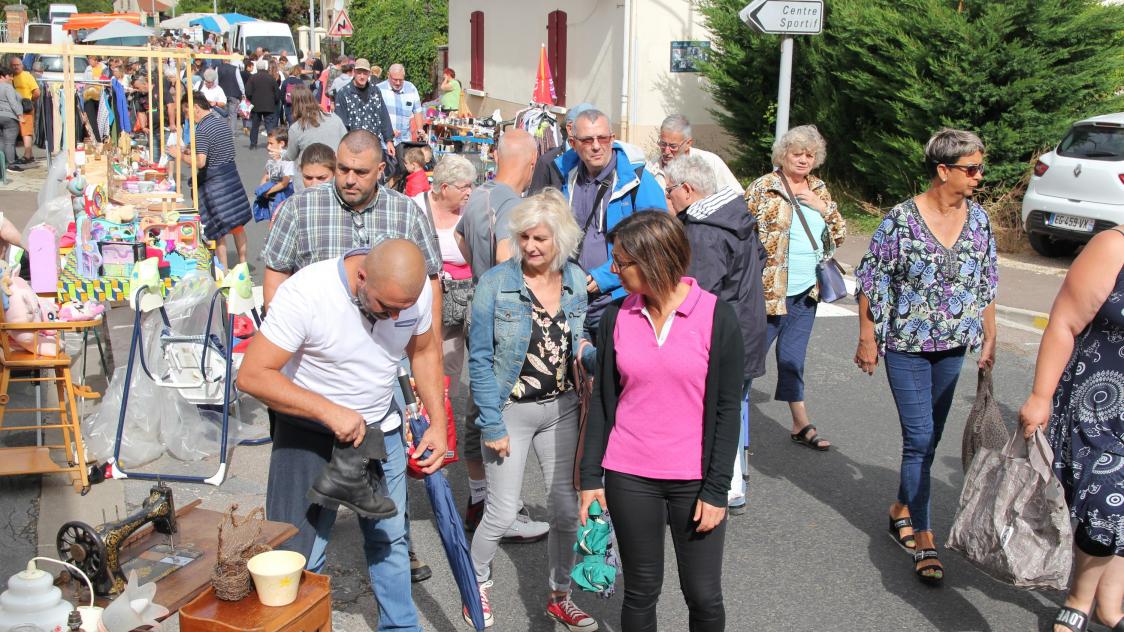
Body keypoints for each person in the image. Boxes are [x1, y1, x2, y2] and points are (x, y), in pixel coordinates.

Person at [237, 239, 449, 632]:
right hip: (307, 437)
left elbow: (424, 352)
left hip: (379, 435)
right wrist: (327, 410)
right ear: (362, 277)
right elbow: (252, 375)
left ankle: (401, 628)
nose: (395, 317)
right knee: (297, 553)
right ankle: (305, 625)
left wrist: (437, 422)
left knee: (390, 542)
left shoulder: (408, 297)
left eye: (404, 309)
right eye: (386, 308)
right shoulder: (306, 293)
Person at [579, 211, 743, 632]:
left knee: (704, 595)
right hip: (629, 475)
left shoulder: (716, 317)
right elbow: (601, 400)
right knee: (640, 591)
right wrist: (590, 479)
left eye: (622, 262)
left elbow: (727, 410)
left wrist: (717, 489)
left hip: (694, 479)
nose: (614, 270)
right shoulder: (616, 318)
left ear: (654, 260)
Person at [854, 128, 998, 585]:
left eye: (980, 168)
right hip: (907, 347)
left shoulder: (979, 220)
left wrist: (989, 335)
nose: (979, 177)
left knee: (930, 438)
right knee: (918, 438)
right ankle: (924, 536)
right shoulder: (900, 220)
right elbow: (871, 278)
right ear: (943, 171)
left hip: (954, 345)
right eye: (971, 169)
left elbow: (986, 280)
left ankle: (901, 506)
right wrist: (866, 336)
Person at [467, 190, 598, 631]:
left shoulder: (575, 280)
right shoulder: (496, 284)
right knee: (502, 513)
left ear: (559, 239)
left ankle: (561, 594)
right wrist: (490, 422)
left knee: (564, 511)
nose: (530, 247)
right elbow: (480, 359)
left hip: (562, 409)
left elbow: (577, 343)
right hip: (510, 411)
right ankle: (476, 584)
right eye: (524, 237)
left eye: (540, 238)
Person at [1018, 227, 1124, 632]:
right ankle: (1079, 600)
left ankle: (1110, 605)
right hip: (1097, 402)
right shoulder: (1114, 246)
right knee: (1107, 506)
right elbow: (1063, 321)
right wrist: (1040, 397)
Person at [454, 130, 550, 543]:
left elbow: (460, 239)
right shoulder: (516, 206)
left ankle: (481, 500)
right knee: (502, 415)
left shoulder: (478, 195)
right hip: (500, 321)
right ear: (530, 164)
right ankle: (501, 511)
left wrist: (479, 279)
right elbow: (505, 260)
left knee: (480, 409)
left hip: (478, 307)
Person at [664, 153, 767, 516]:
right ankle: (733, 484)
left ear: (688, 189)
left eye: (670, 191)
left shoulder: (703, 230)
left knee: (711, 411)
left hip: (719, 336)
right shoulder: (736, 216)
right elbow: (761, 258)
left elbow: (697, 292)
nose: (668, 198)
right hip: (746, 327)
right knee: (732, 406)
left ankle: (718, 489)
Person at [745, 124, 846, 452]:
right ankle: (724, 419)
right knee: (749, 358)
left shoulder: (819, 188)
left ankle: (800, 422)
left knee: (792, 359)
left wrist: (822, 207)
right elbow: (741, 233)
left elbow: (839, 234)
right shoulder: (765, 187)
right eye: (797, 153)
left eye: (810, 154)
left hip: (807, 290)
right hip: (770, 290)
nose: (803, 159)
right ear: (783, 155)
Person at [554, 109, 666, 339]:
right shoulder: (565, 176)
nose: (596, 146)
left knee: (613, 372)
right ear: (573, 143)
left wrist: (605, 276)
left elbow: (658, 239)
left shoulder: (638, 180)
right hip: (570, 299)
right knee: (576, 372)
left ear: (612, 139)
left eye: (602, 138)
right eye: (587, 140)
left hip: (621, 300)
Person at [410, 154, 475, 400]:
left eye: (471, 185)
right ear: (444, 188)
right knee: (423, 355)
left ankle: (444, 410)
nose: (469, 191)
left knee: (451, 363)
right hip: (423, 297)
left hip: (461, 301)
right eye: (464, 187)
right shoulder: (415, 207)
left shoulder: (471, 210)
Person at [167, 93, 251, 270]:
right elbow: (215, 150)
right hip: (230, 175)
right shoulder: (220, 121)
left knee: (218, 229)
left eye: (186, 111)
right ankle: (243, 264)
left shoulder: (202, 129)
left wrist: (180, 155)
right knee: (237, 225)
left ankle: (224, 270)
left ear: (195, 108)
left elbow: (200, 162)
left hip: (215, 182)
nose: (186, 116)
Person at [646, 114, 742, 199]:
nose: (666, 151)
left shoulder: (710, 162)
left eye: (673, 146)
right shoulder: (651, 168)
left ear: (688, 143)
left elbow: (736, 196)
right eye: (662, 144)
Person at [528, 102, 594, 194]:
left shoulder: (599, 159)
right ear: (570, 129)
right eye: (588, 129)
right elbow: (535, 203)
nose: (596, 144)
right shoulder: (548, 162)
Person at [334, 59, 395, 158]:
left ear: (369, 74)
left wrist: (389, 140)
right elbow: (340, 123)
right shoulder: (344, 93)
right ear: (354, 72)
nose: (362, 76)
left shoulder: (375, 91)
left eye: (365, 73)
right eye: (359, 73)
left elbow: (384, 116)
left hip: (374, 146)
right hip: (353, 148)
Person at [284, 85, 348, 181]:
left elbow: (290, 155)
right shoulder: (334, 118)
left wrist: (281, 154)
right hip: (333, 174)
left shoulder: (297, 127)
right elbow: (346, 141)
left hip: (309, 176)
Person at [377, 63, 425, 145]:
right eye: (395, 80)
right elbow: (375, 116)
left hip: (405, 141)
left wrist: (420, 129)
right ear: (388, 75)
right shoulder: (379, 89)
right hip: (384, 142)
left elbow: (417, 111)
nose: (398, 83)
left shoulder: (411, 88)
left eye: (401, 80)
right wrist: (388, 131)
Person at [259, 128, 295, 217]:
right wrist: (262, 188)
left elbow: (284, 183)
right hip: (272, 197)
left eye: (271, 143)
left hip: (284, 197)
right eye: (268, 143)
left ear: (281, 144)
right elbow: (266, 176)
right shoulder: (272, 159)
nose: (268, 147)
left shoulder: (287, 161)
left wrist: (267, 192)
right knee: (272, 221)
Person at [9, 57, 38, 165]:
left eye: (18, 64)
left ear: (22, 65)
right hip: (14, 108)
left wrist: (29, 101)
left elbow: (37, 92)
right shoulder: (10, 77)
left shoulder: (27, 76)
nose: (16, 67)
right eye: (13, 65)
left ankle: (27, 155)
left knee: (26, 132)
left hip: (25, 107)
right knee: (19, 132)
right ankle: (29, 155)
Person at [246, 59, 280, 150]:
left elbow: (248, 92)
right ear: (265, 68)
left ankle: (253, 144)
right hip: (269, 105)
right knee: (269, 125)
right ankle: (271, 143)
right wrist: (275, 101)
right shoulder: (271, 78)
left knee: (255, 125)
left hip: (256, 105)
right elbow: (277, 92)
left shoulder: (252, 78)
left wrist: (251, 100)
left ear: (257, 68)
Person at [0, 68, 25, 173]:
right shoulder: (7, 87)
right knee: (9, 142)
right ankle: (11, 164)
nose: (11, 78)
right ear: (3, 76)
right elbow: (13, 103)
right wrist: (20, 115)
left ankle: (2, 164)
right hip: (9, 117)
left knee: (1, 141)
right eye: (9, 76)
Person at [216, 53, 246, 133]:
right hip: (233, 93)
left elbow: (216, 82)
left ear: (223, 59)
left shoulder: (218, 68)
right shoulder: (235, 69)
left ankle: (223, 131)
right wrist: (243, 92)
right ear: (229, 60)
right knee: (233, 114)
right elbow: (240, 81)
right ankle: (232, 132)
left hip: (222, 94)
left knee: (223, 113)